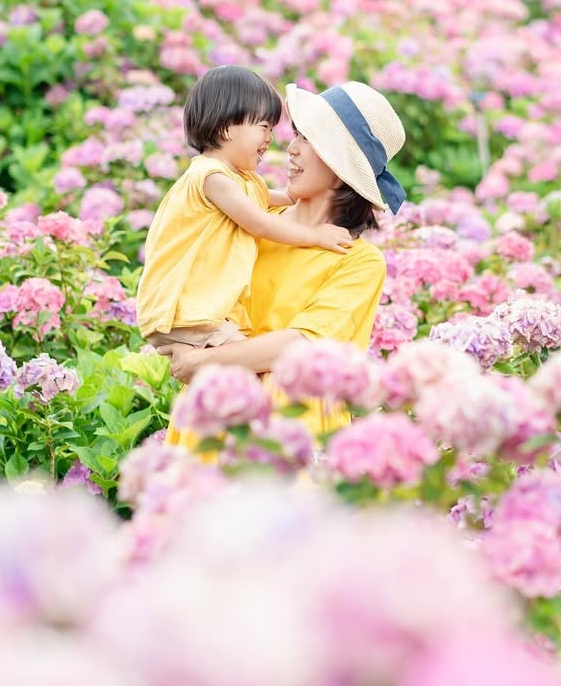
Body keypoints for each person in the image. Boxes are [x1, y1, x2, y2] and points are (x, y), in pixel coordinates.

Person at [166, 80, 407, 436]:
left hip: (289, 429)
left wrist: (201, 361)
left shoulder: (359, 262)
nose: (291, 149)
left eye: (308, 139)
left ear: (341, 168)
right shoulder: (251, 226)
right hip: (212, 416)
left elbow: (300, 344)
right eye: (296, 135)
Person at [136, 65, 353, 353]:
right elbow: (260, 223)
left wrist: (315, 189)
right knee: (246, 366)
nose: (270, 139)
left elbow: (276, 196)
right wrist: (316, 235)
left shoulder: (240, 180)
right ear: (226, 128)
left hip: (201, 312)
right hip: (189, 311)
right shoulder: (212, 177)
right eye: (263, 127)